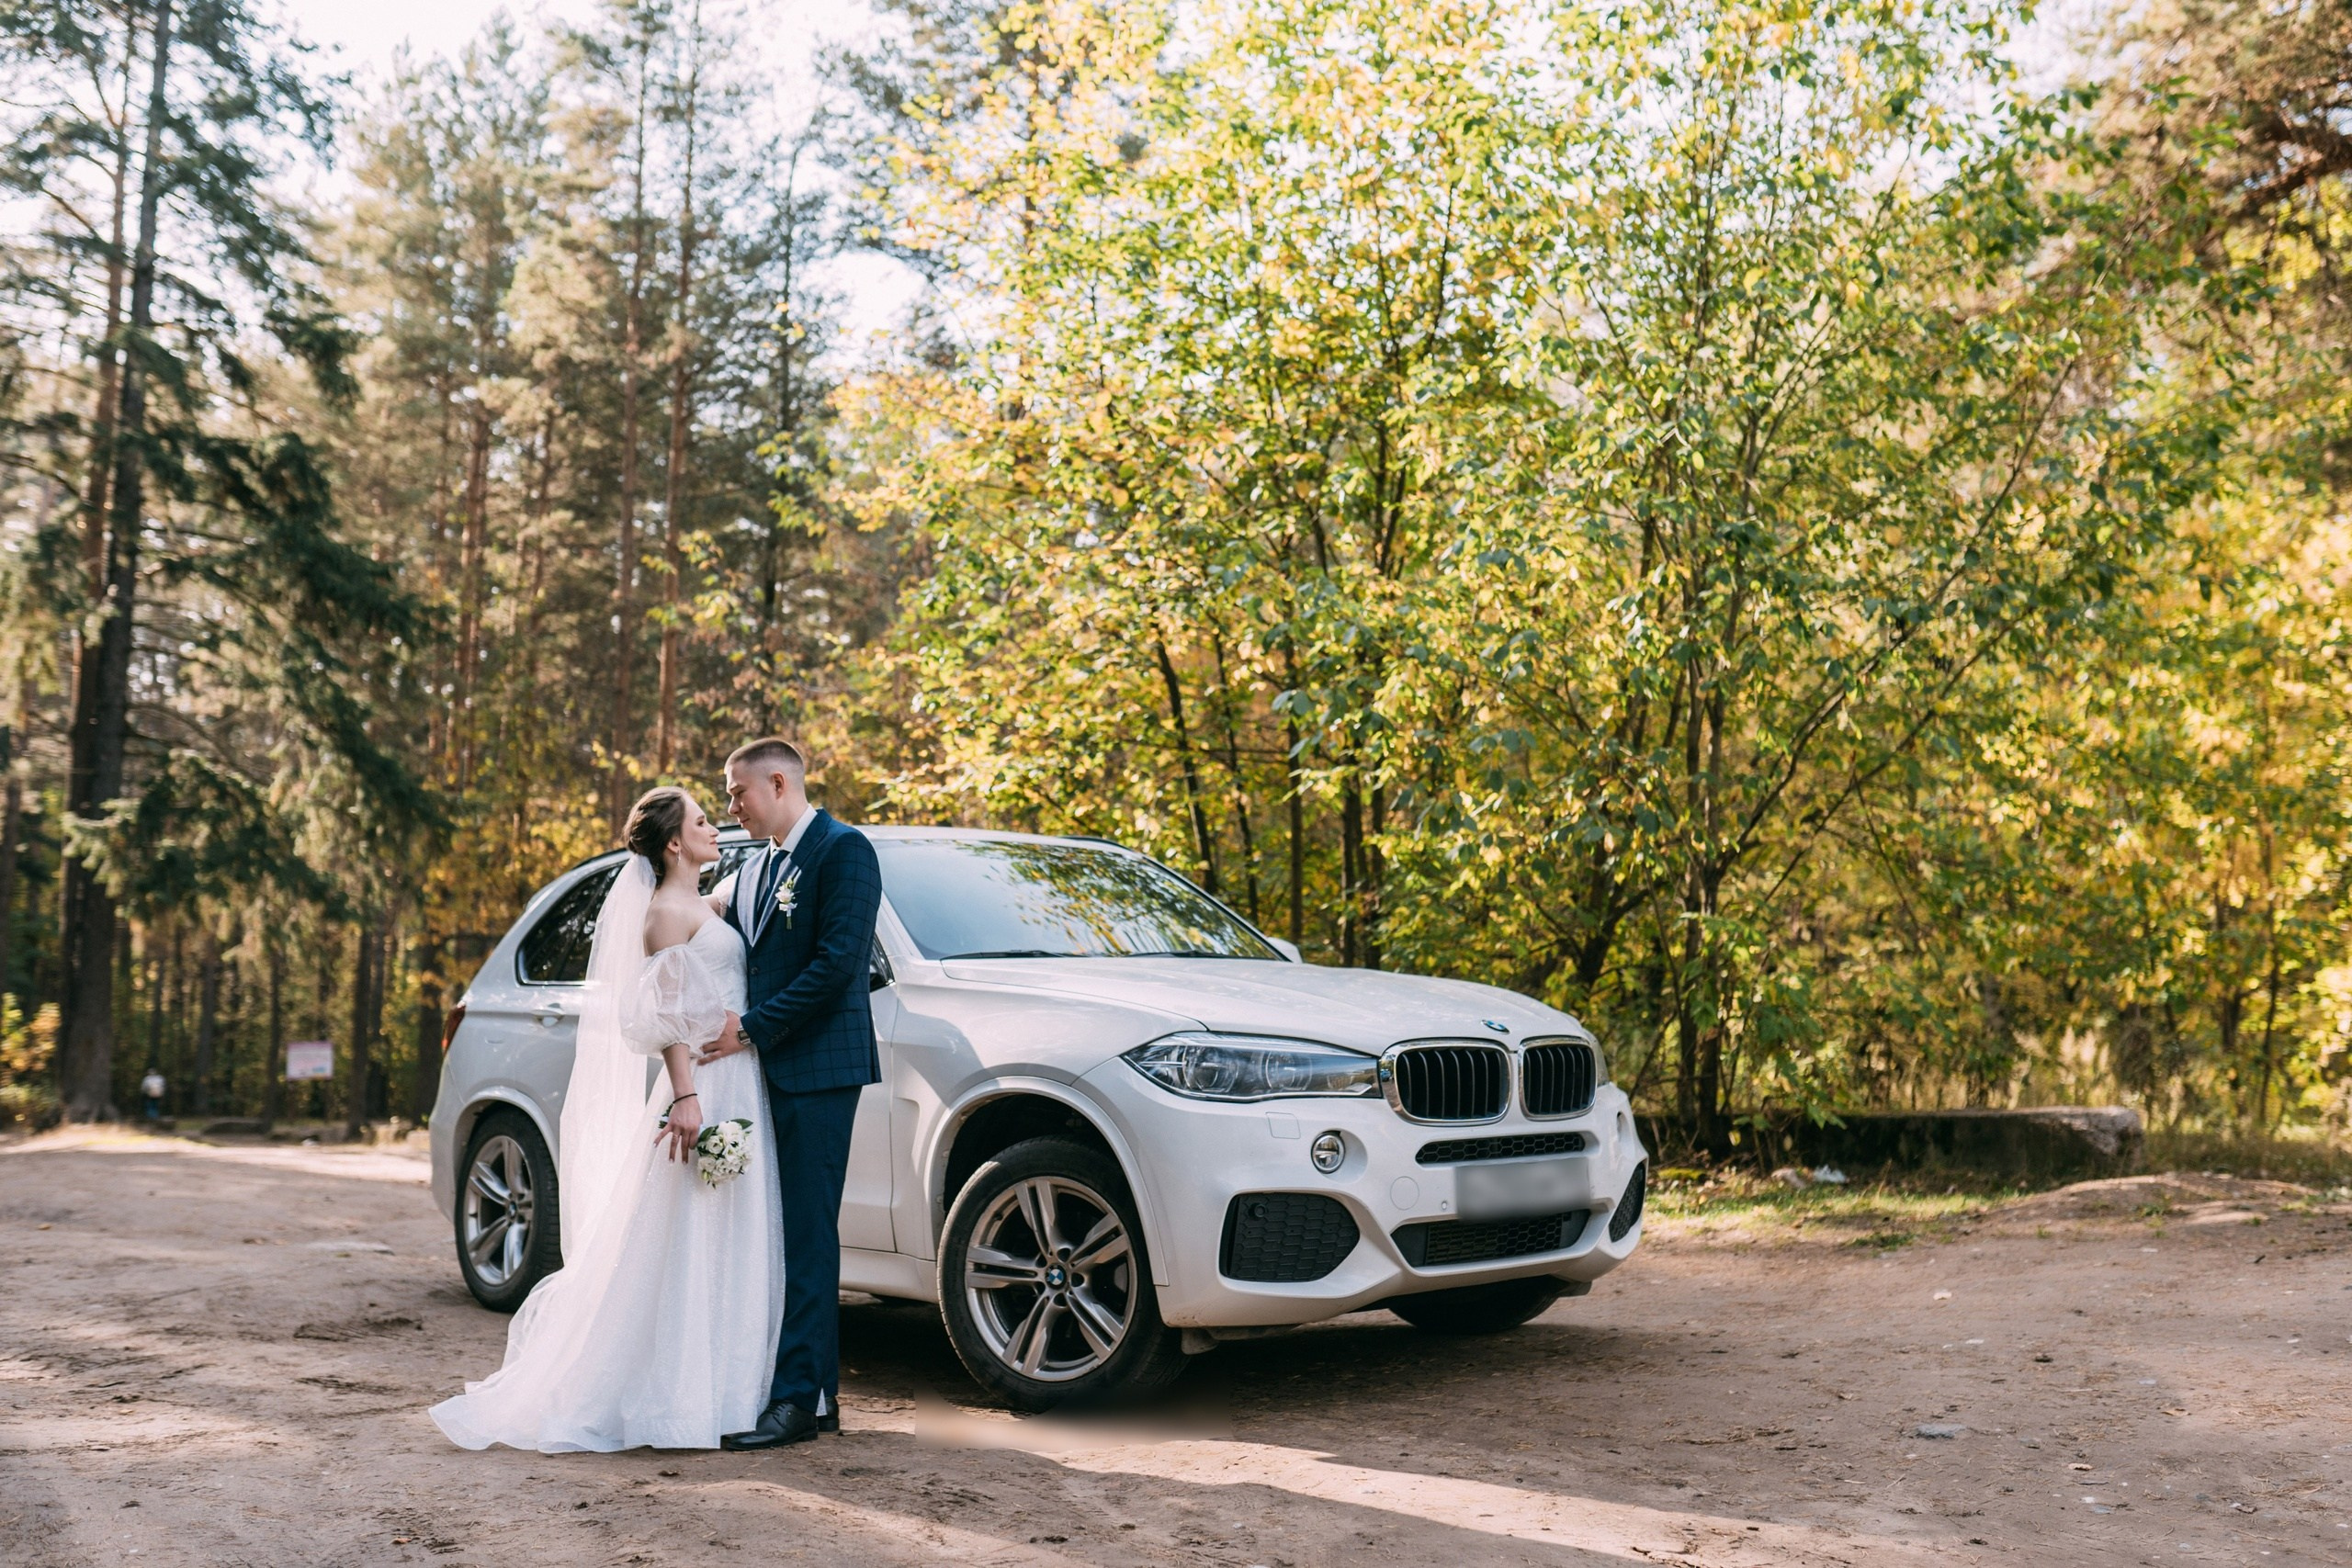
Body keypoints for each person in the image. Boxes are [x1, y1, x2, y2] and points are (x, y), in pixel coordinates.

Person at [428, 787, 782, 1452]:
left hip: (736, 1076)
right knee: (691, 1233)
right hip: (704, 1084)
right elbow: (668, 1015)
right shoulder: (663, 914)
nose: (715, 827)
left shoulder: (698, 901)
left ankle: (728, 1388)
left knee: (720, 1230)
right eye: (704, 821)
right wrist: (685, 1097)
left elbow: (731, 902)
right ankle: (682, 1397)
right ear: (674, 842)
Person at [703, 737, 883, 1450]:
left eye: (736, 792)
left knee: (808, 1234)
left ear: (777, 782)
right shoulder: (758, 865)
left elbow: (839, 965)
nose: (730, 806)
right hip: (763, 1077)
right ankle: (820, 1393)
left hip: (818, 1074)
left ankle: (795, 1403)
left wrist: (748, 1028)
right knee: (780, 1233)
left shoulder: (845, 851)